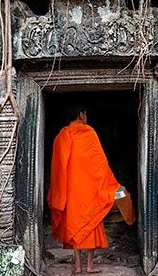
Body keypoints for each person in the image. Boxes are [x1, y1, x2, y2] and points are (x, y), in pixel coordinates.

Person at [48, 104, 121, 274]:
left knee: (75, 226)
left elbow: (57, 168)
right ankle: (89, 266)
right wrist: (111, 184)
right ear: (81, 114)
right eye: (85, 114)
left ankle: (78, 267)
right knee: (91, 224)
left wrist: (59, 191)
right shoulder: (88, 132)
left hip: (71, 191)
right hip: (89, 190)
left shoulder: (61, 136)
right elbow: (99, 164)